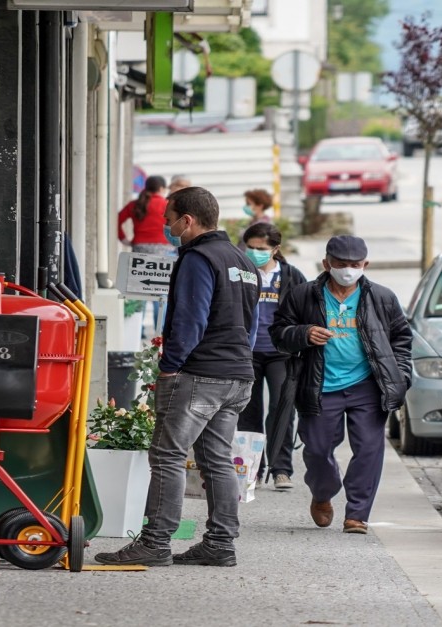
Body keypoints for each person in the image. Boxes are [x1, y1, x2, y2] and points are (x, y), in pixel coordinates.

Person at [95, 186, 260, 568]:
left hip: (200, 374)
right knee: (216, 458)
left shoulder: (198, 258)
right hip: (238, 374)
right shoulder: (244, 262)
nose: (166, 226)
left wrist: (170, 365)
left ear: (188, 220)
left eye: (169, 220)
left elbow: (190, 319)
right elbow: (250, 327)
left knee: (167, 454)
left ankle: (155, 542)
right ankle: (220, 543)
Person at [270, 236, 412, 534]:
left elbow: (401, 338)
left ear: (365, 265)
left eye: (355, 265)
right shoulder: (303, 295)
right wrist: (304, 333)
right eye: (341, 265)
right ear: (326, 264)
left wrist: (399, 376)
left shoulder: (382, 297)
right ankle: (322, 493)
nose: (348, 270)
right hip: (320, 385)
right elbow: (279, 332)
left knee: (369, 450)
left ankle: (357, 514)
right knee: (317, 450)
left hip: (368, 387)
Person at [237, 222, 307, 492]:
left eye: (262, 249)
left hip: (281, 353)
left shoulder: (291, 276)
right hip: (247, 352)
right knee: (248, 411)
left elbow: (305, 311)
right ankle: (252, 469)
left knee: (281, 409)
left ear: (275, 249)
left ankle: (281, 469)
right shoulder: (241, 273)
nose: (255, 253)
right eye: (251, 248)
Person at [117, 175, 170, 255]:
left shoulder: (134, 204)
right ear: (161, 189)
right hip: (163, 247)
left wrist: (123, 239)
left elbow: (117, 220)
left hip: (139, 246)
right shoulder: (167, 204)